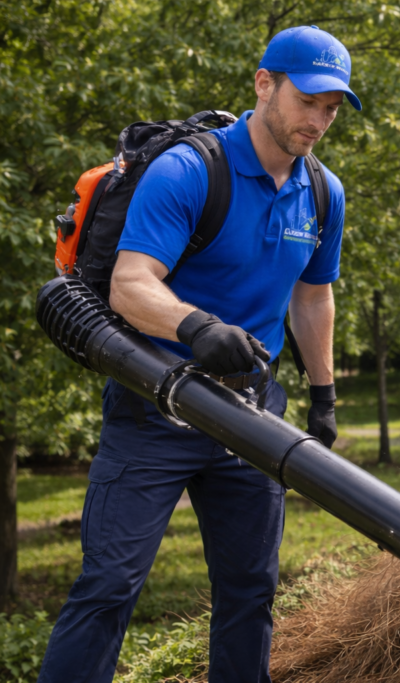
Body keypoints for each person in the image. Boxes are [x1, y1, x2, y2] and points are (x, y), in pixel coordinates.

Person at [37, 25, 359, 683]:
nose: (319, 120)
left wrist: (324, 395)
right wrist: (197, 327)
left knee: (250, 589)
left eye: (332, 108)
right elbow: (130, 284)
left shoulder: (324, 191)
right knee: (109, 586)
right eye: (308, 100)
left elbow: (312, 296)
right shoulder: (188, 170)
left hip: (252, 414)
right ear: (264, 84)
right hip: (156, 406)